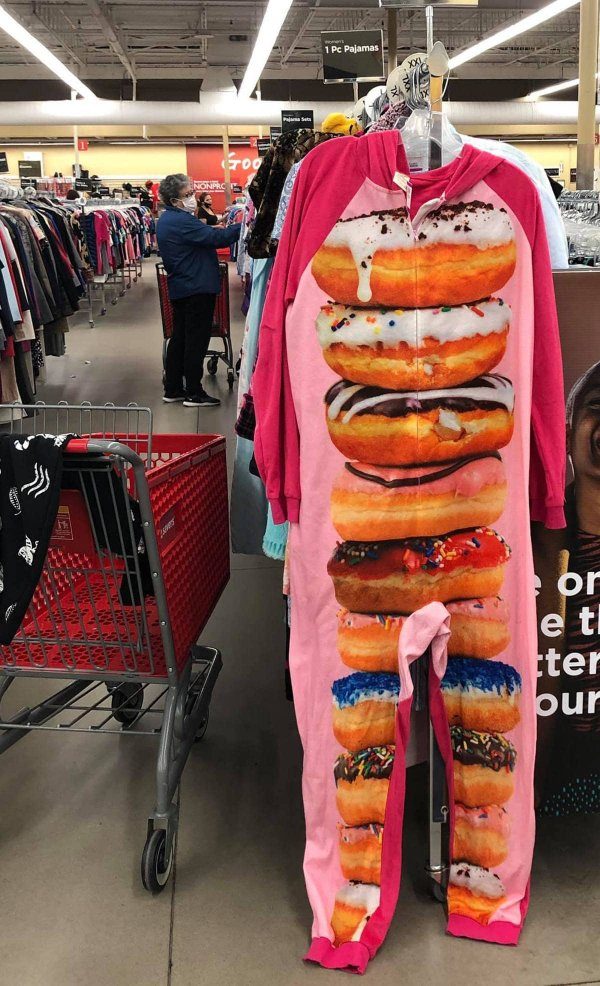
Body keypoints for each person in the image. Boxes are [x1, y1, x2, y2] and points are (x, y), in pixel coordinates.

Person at [156, 173, 241, 408]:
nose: (192, 197)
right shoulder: (182, 221)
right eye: (188, 194)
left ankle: (173, 388)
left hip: (182, 285)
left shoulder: (167, 219)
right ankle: (194, 392)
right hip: (197, 286)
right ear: (175, 200)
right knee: (196, 340)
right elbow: (216, 238)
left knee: (180, 338)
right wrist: (244, 225)